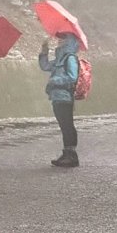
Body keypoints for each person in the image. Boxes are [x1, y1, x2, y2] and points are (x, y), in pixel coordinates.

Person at [38, 32, 80, 167]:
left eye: (63, 38)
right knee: (64, 125)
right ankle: (67, 153)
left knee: (67, 125)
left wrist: (54, 80)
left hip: (65, 97)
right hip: (57, 97)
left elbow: (72, 77)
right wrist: (44, 50)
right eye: (60, 38)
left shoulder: (70, 58)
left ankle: (71, 155)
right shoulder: (59, 59)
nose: (59, 41)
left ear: (70, 41)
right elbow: (45, 66)